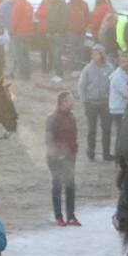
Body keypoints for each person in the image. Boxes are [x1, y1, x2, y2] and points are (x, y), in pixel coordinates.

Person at [46, 90, 80, 226]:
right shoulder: (53, 118)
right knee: (57, 186)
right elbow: (48, 139)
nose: (73, 103)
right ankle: (59, 217)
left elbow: (73, 136)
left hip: (70, 157)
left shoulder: (72, 117)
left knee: (70, 185)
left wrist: (73, 150)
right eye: (71, 100)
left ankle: (71, 216)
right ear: (63, 102)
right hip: (56, 158)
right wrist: (57, 153)